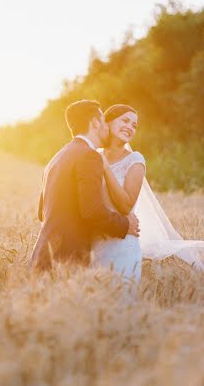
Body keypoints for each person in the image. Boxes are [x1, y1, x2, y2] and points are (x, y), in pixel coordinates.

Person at [92, 104, 204, 280]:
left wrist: (105, 168)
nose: (130, 127)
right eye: (125, 120)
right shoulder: (93, 154)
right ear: (107, 123)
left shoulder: (135, 160)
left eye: (134, 125)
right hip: (94, 242)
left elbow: (126, 206)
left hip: (121, 243)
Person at [29, 100, 140, 272]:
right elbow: (91, 210)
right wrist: (125, 224)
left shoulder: (57, 157)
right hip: (69, 256)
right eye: (103, 121)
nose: (106, 127)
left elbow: (41, 212)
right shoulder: (90, 156)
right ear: (95, 123)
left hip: (44, 254)